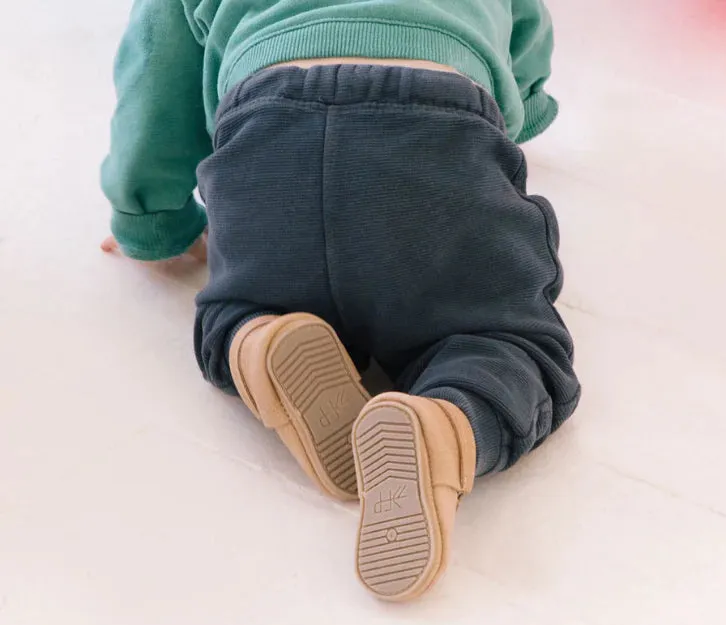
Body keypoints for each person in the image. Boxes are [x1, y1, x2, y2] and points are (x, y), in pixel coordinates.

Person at [101, 0, 580, 602]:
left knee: (233, 309)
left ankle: (260, 336)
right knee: (504, 342)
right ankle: (445, 424)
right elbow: (526, 39)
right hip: (438, 127)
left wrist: (152, 220)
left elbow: (155, 72)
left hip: (268, 138)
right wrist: (522, 113)